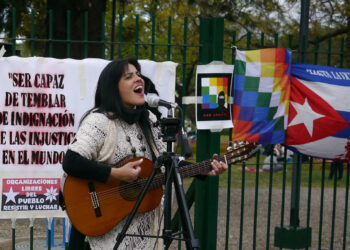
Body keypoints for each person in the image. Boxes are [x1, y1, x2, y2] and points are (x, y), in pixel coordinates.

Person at [61, 57, 228, 250]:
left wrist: (203, 169)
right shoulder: (100, 121)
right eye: (129, 77)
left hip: (142, 232)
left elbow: (167, 163)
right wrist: (117, 174)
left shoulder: (148, 120)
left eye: (139, 74)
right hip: (104, 228)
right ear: (113, 88)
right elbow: (71, 161)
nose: (138, 79)